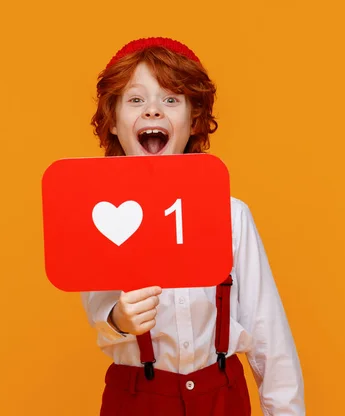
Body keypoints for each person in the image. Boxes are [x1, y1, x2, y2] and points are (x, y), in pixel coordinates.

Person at [81, 37, 305, 415]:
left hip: (222, 395)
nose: (153, 111)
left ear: (193, 119)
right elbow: (102, 315)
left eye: (171, 99)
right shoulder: (100, 216)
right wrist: (120, 318)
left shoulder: (231, 213)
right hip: (136, 399)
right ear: (114, 122)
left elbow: (270, 336)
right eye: (136, 100)